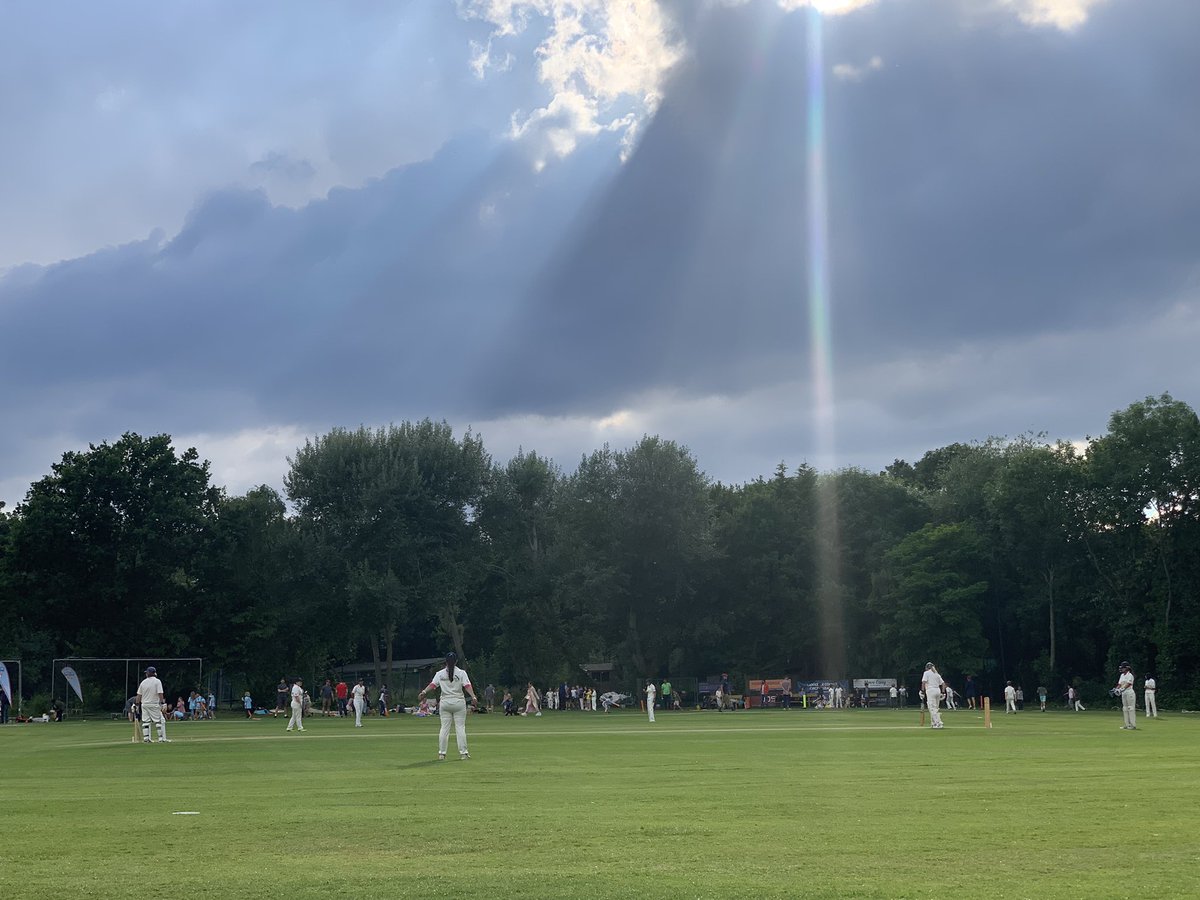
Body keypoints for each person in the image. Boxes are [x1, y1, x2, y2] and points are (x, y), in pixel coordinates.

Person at [418, 652, 478, 760]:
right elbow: (467, 686)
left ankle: (442, 753)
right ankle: (463, 753)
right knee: (460, 728)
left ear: (445, 661)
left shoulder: (440, 673)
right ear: (456, 661)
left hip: (445, 703)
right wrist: (473, 696)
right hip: (458, 702)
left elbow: (433, 684)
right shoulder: (461, 673)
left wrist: (424, 691)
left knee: (444, 729)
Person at [137, 666, 171, 743]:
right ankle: (161, 739)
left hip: (144, 704)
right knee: (159, 721)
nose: (146, 674)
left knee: (146, 721)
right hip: (154, 704)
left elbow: (139, 695)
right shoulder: (157, 681)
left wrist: (136, 704)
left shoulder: (143, 682)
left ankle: (146, 739)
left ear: (150, 673)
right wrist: (162, 703)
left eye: (147, 672)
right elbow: (160, 693)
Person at [921, 662, 945, 729]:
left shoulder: (926, 673)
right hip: (938, 690)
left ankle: (939, 723)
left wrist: (922, 691)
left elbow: (923, 682)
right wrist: (943, 693)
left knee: (932, 708)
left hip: (930, 691)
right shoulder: (937, 674)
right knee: (935, 708)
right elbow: (943, 684)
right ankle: (933, 723)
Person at [1115, 662, 1137, 730]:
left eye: (1123, 667)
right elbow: (1119, 684)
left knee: (1131, 708)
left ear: (1127, 668)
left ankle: (1132, 725)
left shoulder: (1130, 675)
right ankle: (1127, 724)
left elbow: (1128, 684)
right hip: (1123, 693)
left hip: (1129, 693)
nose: (1121, 669)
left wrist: (1121, 689)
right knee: (1125, 708)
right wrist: (1116, 689)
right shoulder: (1122, 675)